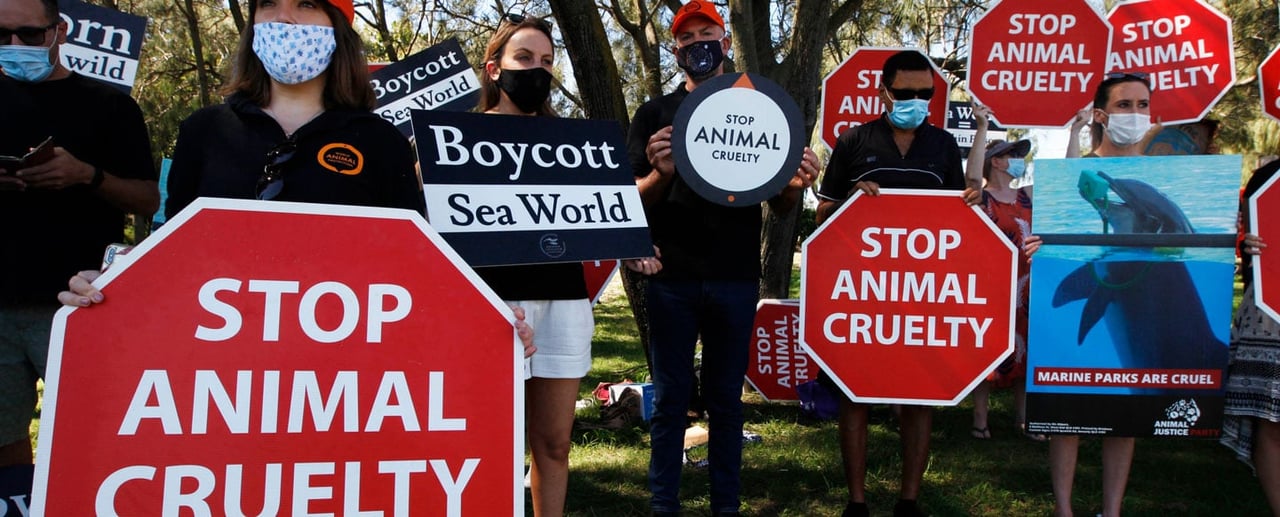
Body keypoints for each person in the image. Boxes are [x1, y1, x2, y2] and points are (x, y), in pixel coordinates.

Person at [465, 14, 661, 517]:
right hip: (489, 305)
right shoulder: (459, 139)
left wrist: (633, 243)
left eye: (547, 62)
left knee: (553, 445)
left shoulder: (574, 143)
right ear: (494, 69)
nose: (536, 70)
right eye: (524, 59)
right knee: (488, 446)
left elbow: (603, 212)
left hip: (563, 303)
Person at [627, 2, 818, 514]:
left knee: (726, 403)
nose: (697, 44)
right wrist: (659, 172)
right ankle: (663, 503)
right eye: (686, 37)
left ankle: (725, 506)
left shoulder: (759, 110)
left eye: (706, 32)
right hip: (672, 279)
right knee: (670, 402)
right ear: (676, 50)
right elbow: (628, 200)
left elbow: (779, 204)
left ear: (726, 41)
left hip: (735, 279)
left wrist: (795, 182)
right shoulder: (654, 114)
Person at [0, 0, 158, 468]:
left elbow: (149, 200)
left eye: (29, 34)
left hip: (84, 304)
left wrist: (87, 176)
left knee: (98, 434)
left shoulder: (109, 106)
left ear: (60, 31)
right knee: (4, 442)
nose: (14, 46)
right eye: (1, 35)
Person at [815, 50, 965, 517]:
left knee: (920, 397)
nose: (915, 100)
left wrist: (972, 205)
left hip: (923, 296)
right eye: (905, 93)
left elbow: (958, 221)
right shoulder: (854, 141)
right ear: (883, 92)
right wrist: (851, 204)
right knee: (855, 394)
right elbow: (821, 216)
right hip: (861, 295)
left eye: (926, 93)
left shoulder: (943, 147)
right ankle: (856, 502)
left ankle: (909, 502)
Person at [1048, 71, 1156, 517]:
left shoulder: (1162, 175)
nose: (1135, 114)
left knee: (1124, 416)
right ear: (1100, 114)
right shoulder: (1073, 175)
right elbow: (1053, 234)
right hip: (1090, 290)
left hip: (1139, 295)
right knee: (1066, 413)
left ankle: (1112, 510)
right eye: (1124, 105)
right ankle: (1064, 508)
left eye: (1142, 105)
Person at [960, 105, 1042, 442]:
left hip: (1028, 285)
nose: (1018, 160)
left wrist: (1076, 129)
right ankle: (981, 420)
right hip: (994, 286)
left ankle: (1022, 419)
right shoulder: (983, 199)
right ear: (996, 161)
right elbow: (969, 178)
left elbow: (1067, 175)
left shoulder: (1028, 196)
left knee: (1027, 349)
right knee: (987, 349)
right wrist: (981, 127)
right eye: (1011, 155)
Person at [1221, 160, 1280, 516]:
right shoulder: (1268, 178)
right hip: (1269, 316)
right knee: (1271, 420)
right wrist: (1249, 244)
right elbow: (1246, 243)